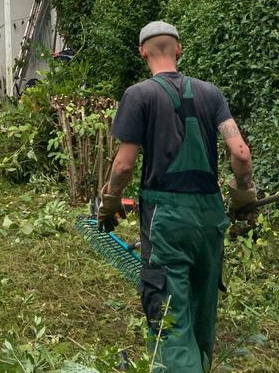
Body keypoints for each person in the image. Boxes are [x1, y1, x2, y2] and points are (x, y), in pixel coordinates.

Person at [97, 21, 255, 373]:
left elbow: (123, 166)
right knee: (202, 306)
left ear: (142, 53)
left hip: (167, 216)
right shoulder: (211, 93)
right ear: (179, 49)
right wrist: (243, 196)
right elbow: (241, 153)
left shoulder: (139, 95)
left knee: (169, 311)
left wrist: (110, 202)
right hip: (211, 214)